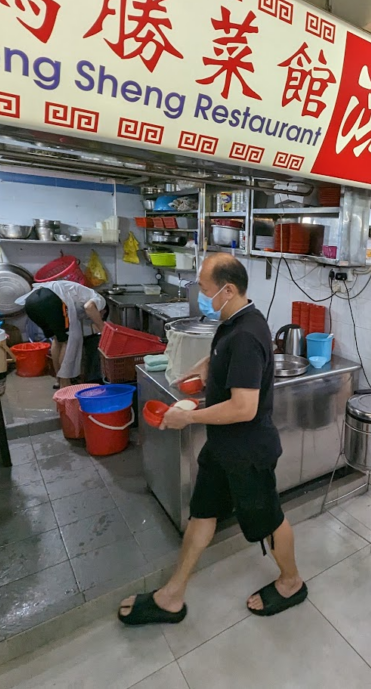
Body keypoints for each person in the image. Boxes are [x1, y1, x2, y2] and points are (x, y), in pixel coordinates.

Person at [118, 254, 305, 625]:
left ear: (228, 289)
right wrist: (203, 370)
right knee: (202, 514)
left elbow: (244, 407)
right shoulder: (230, 321)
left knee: (268, 520)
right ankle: (172, 596)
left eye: (204, 289)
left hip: (248, 452)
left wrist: (187, 417)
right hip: (222, 448)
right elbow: (221, 356)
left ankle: (291, 581)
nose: (201, 295)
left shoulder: (249, 333)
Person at [15, 280, 105, 386]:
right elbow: (89, 307)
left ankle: (58, 379)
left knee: (57, 339)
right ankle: (64, 383)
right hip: (51, 301)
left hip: (31, 303)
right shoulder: (99, 300)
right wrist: (103, 329)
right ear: (103, 311)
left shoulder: (82, 293)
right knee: (67, 341)